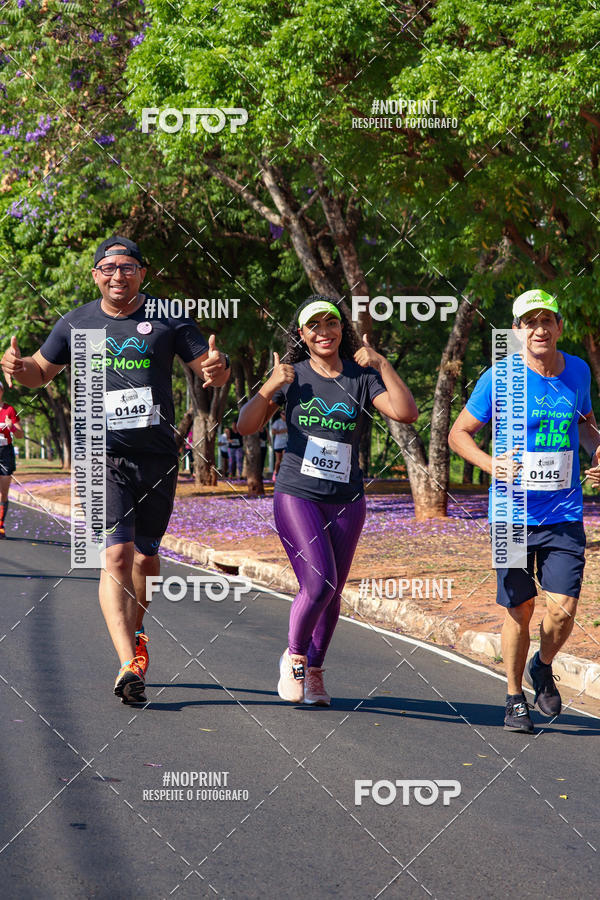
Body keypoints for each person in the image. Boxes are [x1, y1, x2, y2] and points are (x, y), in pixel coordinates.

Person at [1, 235, 230, 702]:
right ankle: (128, 664)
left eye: (127, 267)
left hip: (157, 455)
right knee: (115, 556)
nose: (117, 275)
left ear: (142, 273)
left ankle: (136, 636)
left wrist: (217, 368)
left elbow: (207, 363)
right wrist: (17, 365)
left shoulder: (166, 318)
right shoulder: (77, 323)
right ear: (95, 276)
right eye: (108, 268)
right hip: (97, 454)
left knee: (146, 558)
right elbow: (40, 373)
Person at [238, 294, 418, 705]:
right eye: (314, 326)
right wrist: (269, 386)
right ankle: (295, 658)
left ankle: (316, 671)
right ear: (302, 333)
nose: (324, 332)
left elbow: (406, 413)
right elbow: (245, 426)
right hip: (297, 494)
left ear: (342, 329)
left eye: (331, 324)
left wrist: (382, 363)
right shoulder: (292, 376)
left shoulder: (360, 376)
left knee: (332, 590)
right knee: (317, 583)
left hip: (347, 499)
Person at [449, 289, 600, 734]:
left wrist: (598, 453)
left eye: (547, 320)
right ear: (516, 331)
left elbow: (586, 426)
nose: (539, 329)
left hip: (564, 512)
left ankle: (542, 664)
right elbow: (459, 434)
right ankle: (514, 697)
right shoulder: (499, 377)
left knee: (563, 610)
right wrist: (488, 463)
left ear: (558, 326)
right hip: (511, 514)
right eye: (528, 322)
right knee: (519, 610)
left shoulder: (577, 370)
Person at [0, 380, 24, 538]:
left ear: (2, 391)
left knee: (3, 492)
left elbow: (20, 434)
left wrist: (12, 427)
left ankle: (0, 525)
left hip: (5, 452)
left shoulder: (9, 410)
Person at [271, 409, 288, 482]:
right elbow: (273, 432)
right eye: (282, 413)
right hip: (278, 444)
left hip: (286, 444)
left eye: (285, 413)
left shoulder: (289, 422)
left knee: (285, 459)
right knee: (278, 461)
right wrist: (283, 431)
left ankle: (283, 475)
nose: (284, 415)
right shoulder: (277, 422)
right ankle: (275, 473)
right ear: (280, 414)